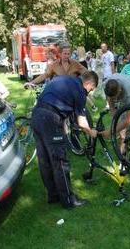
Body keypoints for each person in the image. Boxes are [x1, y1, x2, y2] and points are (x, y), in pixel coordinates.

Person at [30, 71, 98, 209]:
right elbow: (82, 122)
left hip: (36, 116)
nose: (89, 92)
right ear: (89, 83)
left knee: (45, 160)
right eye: (91, 89)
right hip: (50, 119)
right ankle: (69, 200)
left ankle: (53, 195)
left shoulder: (64, 79)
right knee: (60, 160)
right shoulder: (80, 91)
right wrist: (92, 132)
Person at [100, 74, 130, 183]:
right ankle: (123, 162)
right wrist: (116, 123)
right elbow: (111, 104)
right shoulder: (107, 84)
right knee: (122, 135)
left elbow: (128, 120)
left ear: (120, 90)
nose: (114, 99)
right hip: (123, 101)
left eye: (115, 96)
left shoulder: (129, 92)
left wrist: (111, 131)